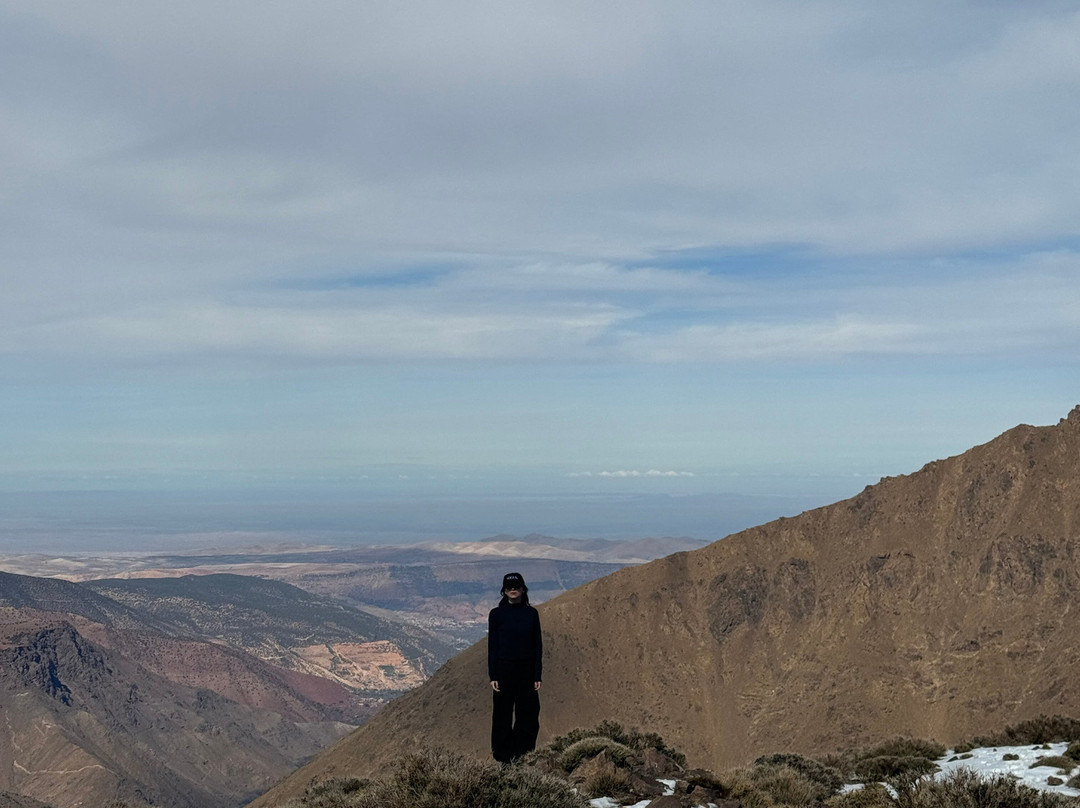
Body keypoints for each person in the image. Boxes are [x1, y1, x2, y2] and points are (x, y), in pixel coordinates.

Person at [487, 571, 542, 763]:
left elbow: (538, 645)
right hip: (504, 669)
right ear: (504, 590)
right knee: (502, 713)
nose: (513, 590)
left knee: (528, 713)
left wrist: (537, 675)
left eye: (516, 587)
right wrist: (492, 674)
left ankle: (523, 754)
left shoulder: (531, 614)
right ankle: (503, 757)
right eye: (509, 587)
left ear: (522, 589)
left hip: (526, 670)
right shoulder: (496, 614)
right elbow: (492, 646)